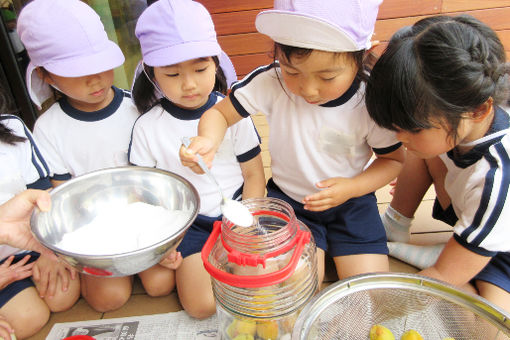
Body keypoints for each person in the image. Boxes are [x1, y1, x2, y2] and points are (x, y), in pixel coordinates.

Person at [180, 0, 405, 286]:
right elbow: (219, 115)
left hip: (353, 204)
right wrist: (208, 140)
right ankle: (325, 254)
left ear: (362, 54)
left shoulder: (370, 99)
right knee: (298, 285)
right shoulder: (271, 82)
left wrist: (352, 188)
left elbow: (394, 160)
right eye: (293, 72)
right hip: (292, 203)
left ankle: (336, 249)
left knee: (368, 289)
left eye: (327, 76)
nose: (307, 90)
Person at [130, 0, 265, 319]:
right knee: (201, 306)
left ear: (216, 64)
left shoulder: (233, 114)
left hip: (235, 211)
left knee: (256, 288)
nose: (189, 84)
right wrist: (162, 240)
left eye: (200, 69)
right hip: (184, 224)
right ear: (152, 74)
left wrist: (247, 221)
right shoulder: (149, 127)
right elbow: (143, 194)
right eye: (173, 73)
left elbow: (254, 175)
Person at [365, 14, 510, 312]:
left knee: (485, 321)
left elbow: (440, 279)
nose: (398, 136)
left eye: (412, 127)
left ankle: (458, 255)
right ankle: (399, 227)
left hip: (503, 250)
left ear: (479, 110)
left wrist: (377, 308)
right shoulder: (460, 113)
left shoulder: (498, 179)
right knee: (421, 149)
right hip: (468, 207)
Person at [16, 0, 146, 313]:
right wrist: (59, 252)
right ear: (47, 76)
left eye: (101, 66)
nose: (96, 80)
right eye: (78, 72)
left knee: (159, 284)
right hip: (92, 229)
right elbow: (59, 196)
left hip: (143, 217)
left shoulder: (136, 109)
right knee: (106, 298)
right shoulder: (49, 128)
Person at [0, 113, 80, 338]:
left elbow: (42, 194)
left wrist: (48, 250)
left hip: (26, 245)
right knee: (29, 317)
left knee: (62, 295)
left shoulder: (10, 126)